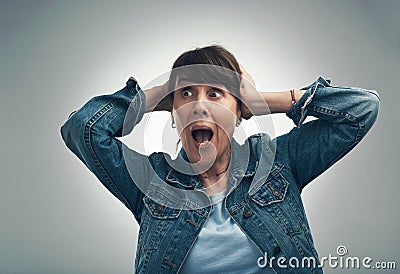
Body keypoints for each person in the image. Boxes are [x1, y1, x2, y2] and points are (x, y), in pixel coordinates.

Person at [60, 45, 380, 273]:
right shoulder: (150, 181)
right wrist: (157, 95)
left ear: (239, 113)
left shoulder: (278, 162)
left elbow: (361, 109)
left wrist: (261, 99)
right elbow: (82, 128)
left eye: (215, 94)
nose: (200, 107)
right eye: (187, 94)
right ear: (173, 116)